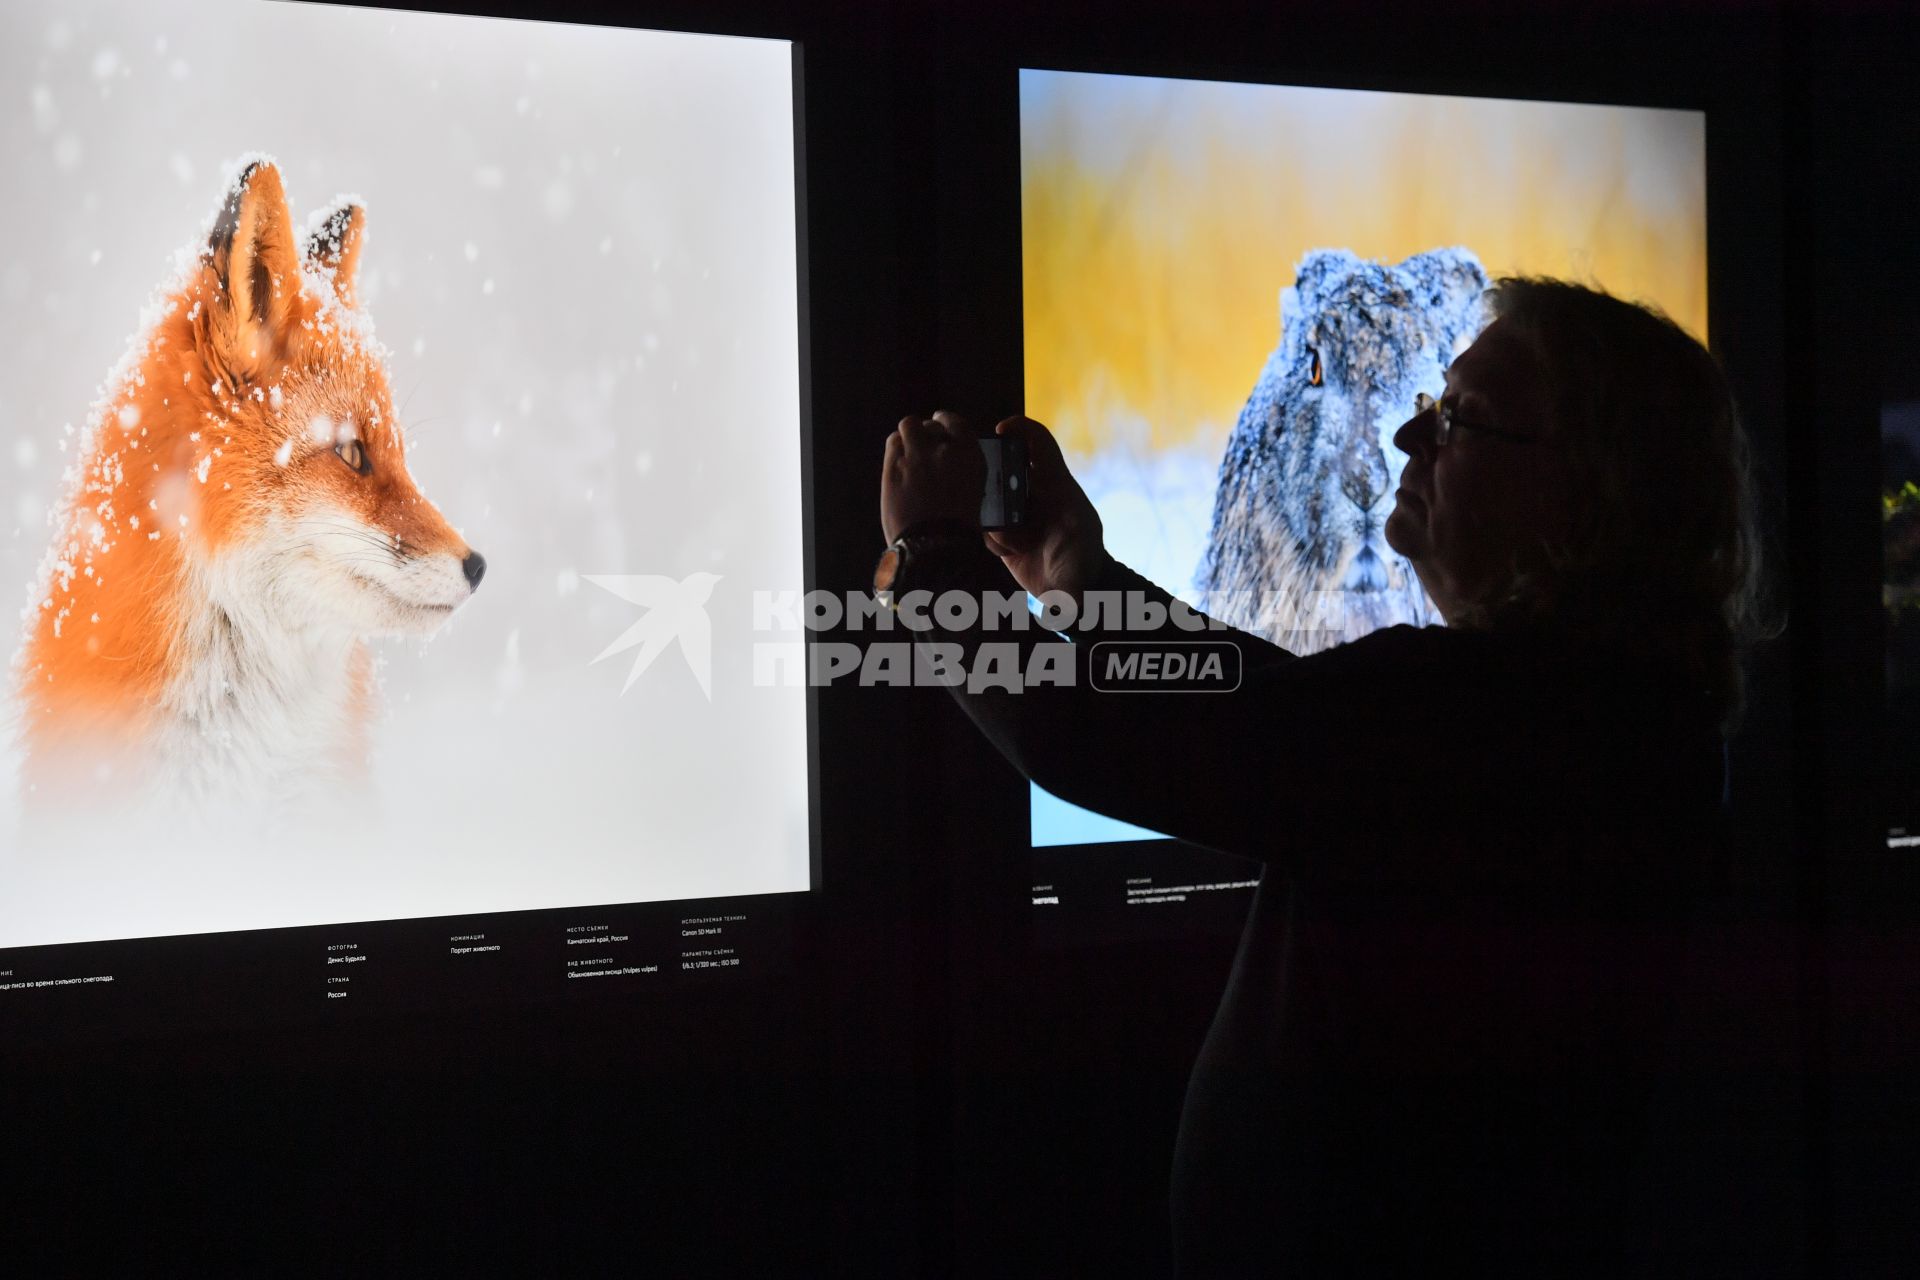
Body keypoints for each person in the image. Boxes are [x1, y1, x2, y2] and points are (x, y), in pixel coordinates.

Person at [875, 277, 1772, 1274]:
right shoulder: (1605, 715)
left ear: (1587, 488)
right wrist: (1083, 579)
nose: (1407, 441)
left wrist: (933, 562)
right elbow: (1278, 708)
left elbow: (1090, 732)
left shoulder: (1481, 723)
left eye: (1459, 421)